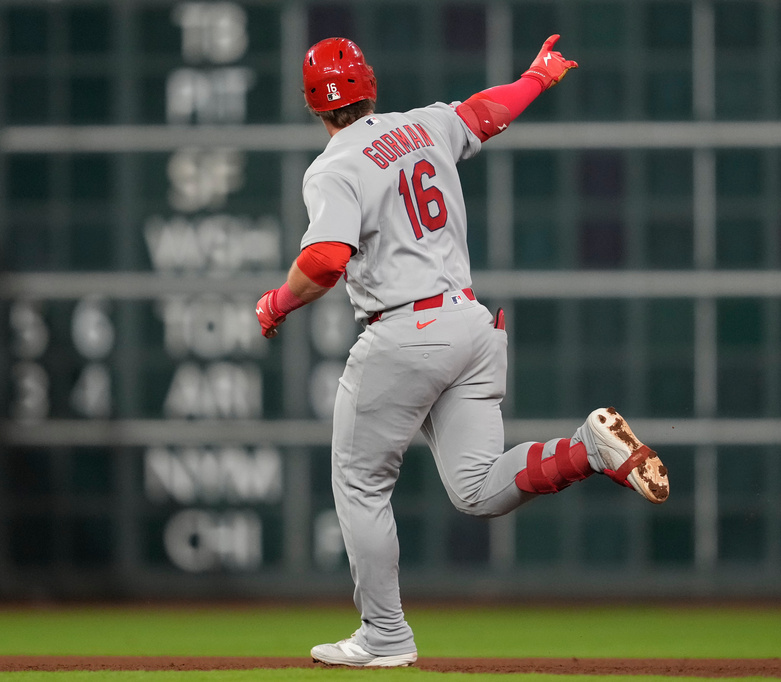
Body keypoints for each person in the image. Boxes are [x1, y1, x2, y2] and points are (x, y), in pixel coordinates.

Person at [256, 34, 670, 668]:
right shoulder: (425, 126)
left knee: (360, 483)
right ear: (370, 85)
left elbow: (325, 258)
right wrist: (535, 76)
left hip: (403, 331)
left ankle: (386, 636)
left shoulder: (333, 167)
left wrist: (277, 303)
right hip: (471, 325)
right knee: (476, 489)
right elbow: (487, 111)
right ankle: (586, 449)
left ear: (314, 105)